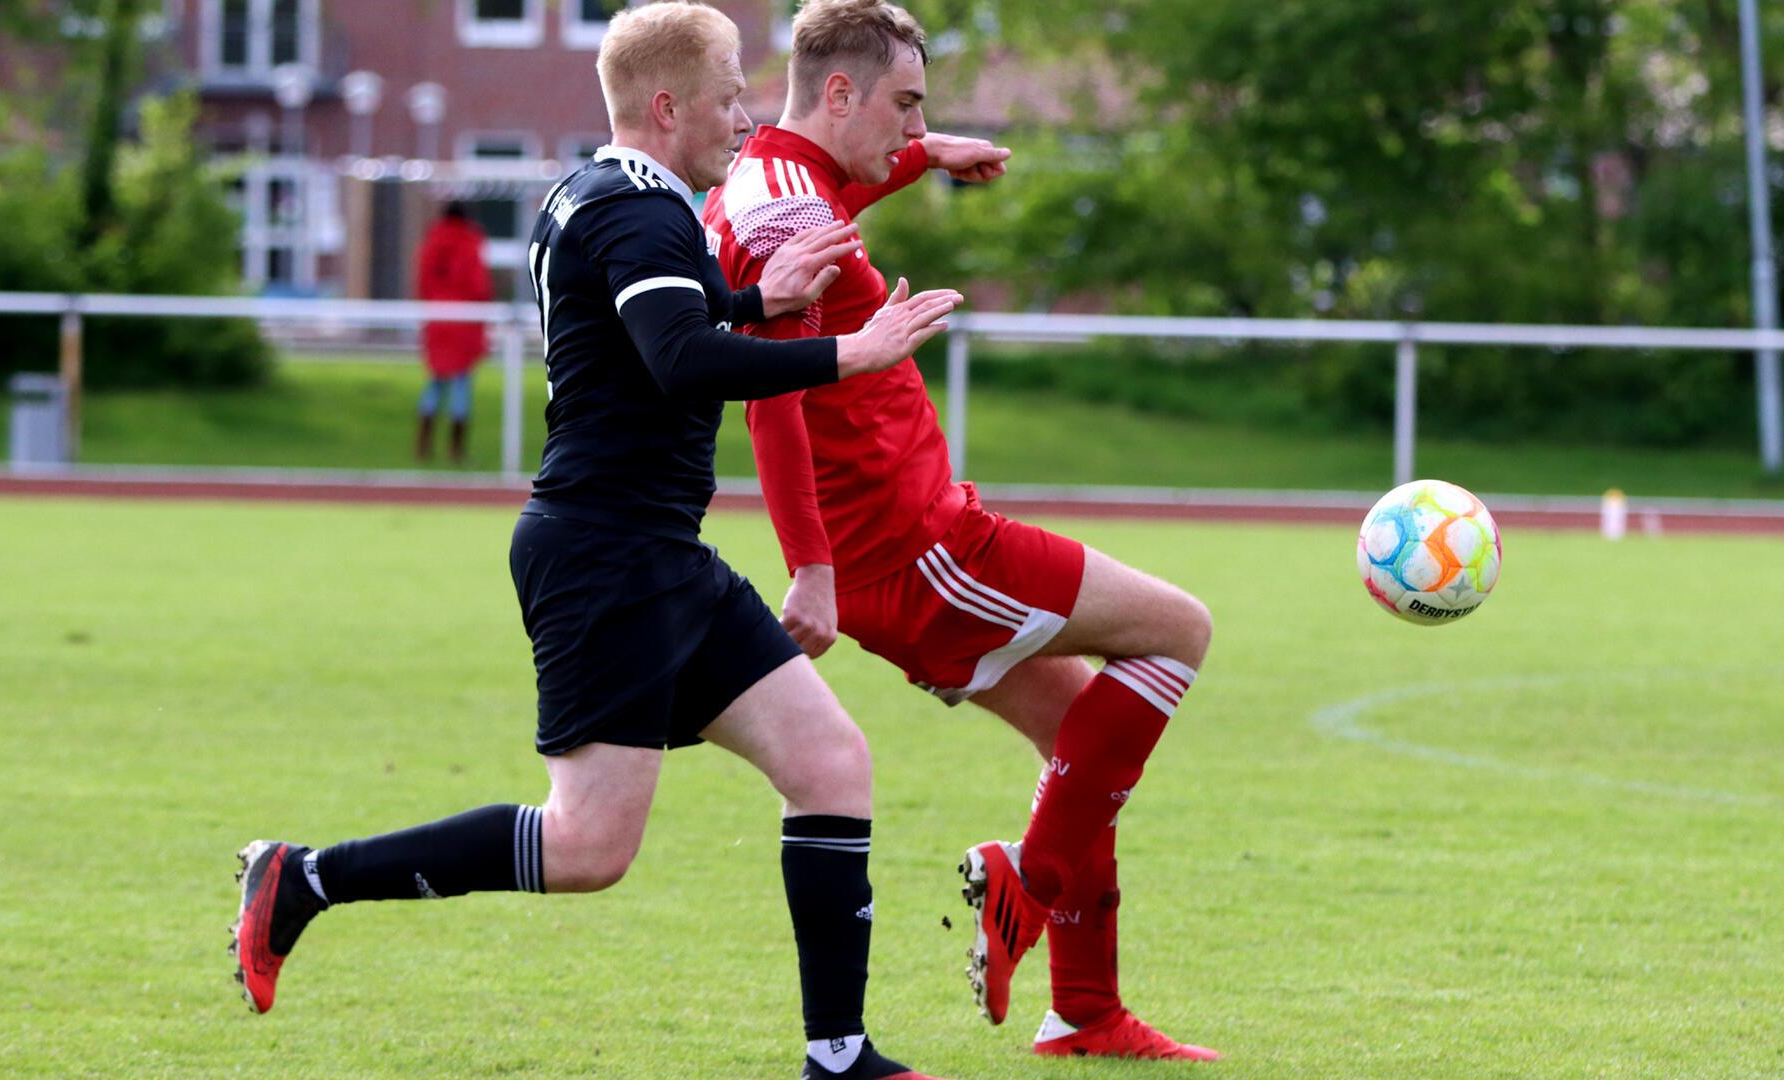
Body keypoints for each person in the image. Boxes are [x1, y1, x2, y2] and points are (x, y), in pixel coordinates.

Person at [228, 5, 964, 1078]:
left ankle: (840, 1057)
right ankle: (302, 880)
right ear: (668, 107)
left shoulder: (608, 195)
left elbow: (670, 327)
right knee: (585, 850)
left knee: (829, 760)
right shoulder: (636, 214)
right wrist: (849, 352)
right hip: (607, 557)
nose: (744, 118)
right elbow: (678, 360)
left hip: (659, 553)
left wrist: (764, 295)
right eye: (728, 99)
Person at [704, 0, 1220, 1062]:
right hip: (922, 549)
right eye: (905, 102)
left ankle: (1084, 1011)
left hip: (900, 554)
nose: (910, 124)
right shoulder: (791, 218)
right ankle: (1024, 885)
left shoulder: (776, 173)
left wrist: (933, 153)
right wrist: (810, 571)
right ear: (840, 92)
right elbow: (774, 400)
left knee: (1083, 742)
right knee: (1178, 633)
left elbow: (854, 174)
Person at [415, 201, 493, 464]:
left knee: (435, 380)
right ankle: (455, 450)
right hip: (464, 322)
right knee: (461, 382)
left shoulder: (431, 240)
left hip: (437, 319)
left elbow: (422, 282)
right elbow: (479, 285)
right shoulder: (471, 242)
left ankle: (423, 445)